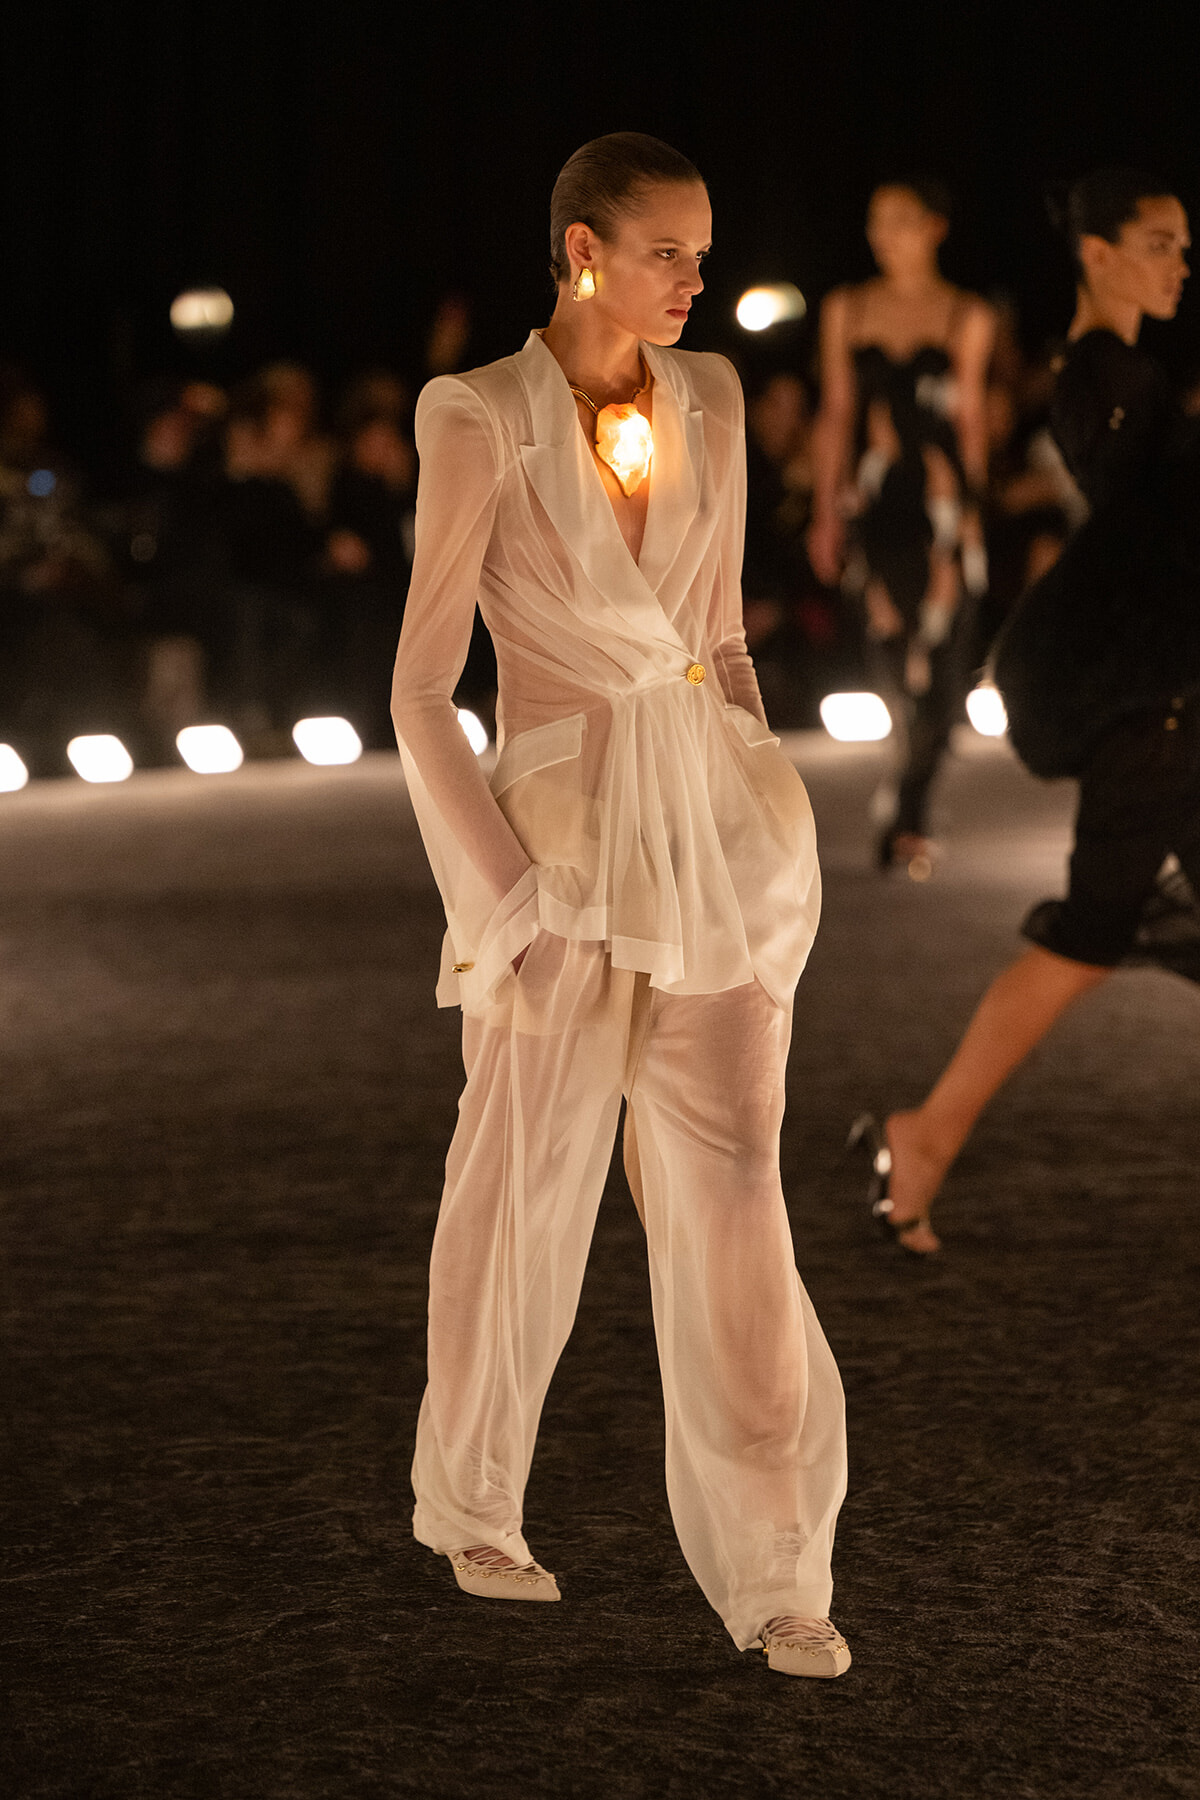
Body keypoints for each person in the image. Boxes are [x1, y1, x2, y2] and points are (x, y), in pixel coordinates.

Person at [391, 133, 850, 1678]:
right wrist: (505, 895)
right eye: (670, 252)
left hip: (722, 848)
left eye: (703, 253)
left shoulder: (710, 393)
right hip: (563, 851)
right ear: (584, 250)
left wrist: (766, 797)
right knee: (523, 1187)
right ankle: (472, 1504)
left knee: (734, 1196)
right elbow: (418, 689)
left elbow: (720, 640)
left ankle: (780, 1570)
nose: (696, 279)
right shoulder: (479, 415)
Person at [864, 169, 1198, 1255]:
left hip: (1163, 685)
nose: (1179, 264)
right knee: (1090, 932)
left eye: (1185, 247)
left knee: (1099, 929)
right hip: (1150, 697)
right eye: (1158, 242)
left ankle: (926, 1138)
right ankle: (925, 1138)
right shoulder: (1100, 376)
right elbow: (1140, 504)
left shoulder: (1128, 375)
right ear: (1097, 254)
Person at [809, 181, 996, 874]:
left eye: (899, 221)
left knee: (947, 664)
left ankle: (907, 810)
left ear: (934, 226)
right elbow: (836, 410)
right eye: (875, 221)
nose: (884, 235)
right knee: (892, 657)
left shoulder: (966, 314)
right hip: (875, 499)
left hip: (941, 501)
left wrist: (972, 516)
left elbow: (970, 418)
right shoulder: (847, 308)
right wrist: (826, 510)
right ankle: (906, 805)